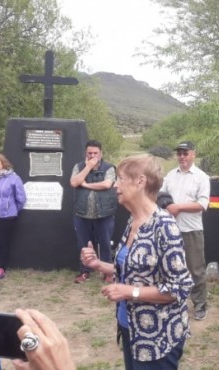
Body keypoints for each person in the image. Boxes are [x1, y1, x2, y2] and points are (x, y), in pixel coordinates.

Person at [81, 154, 194, 370]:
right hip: (130, 327)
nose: (116, 185)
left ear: (140, 182)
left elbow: (180, 288)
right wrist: (98, 264)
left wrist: (129, 292)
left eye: (121, 179)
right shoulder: (134, 220)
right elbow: (133, 270)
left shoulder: (164, 226)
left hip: (157, 337)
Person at [160, 141, 210, 321]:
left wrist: (177, 207)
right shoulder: (170, 175)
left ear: (193, 154)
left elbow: (202, 204)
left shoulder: (201, 177)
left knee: (196, 269)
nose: (182, 157)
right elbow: (161, 195)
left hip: (191, 230)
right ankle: (172, 301)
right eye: (179, 153)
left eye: (185, 153)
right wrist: (165, 207)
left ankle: (200, 304)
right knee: (169, 268)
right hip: (170, 230)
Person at [70, 140, 118, 284]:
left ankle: (107, 273)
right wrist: (88, 167)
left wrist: (85, 184)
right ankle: (85, 272)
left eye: (95, 153)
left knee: (105, 244)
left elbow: (107, 184)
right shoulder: (78, 166)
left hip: (104, 213)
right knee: (83, 245)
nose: (92, 155)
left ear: (101, 153)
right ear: (86, 153)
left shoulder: (109, 167)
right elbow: (73, 182)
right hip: (81, 213)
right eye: (90, 153)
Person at [0, 152, 26, 279]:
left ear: (2, 162)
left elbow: (21, 198)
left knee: (3, 242)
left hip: (7, 216)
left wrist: (12, 210)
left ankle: (0, 267)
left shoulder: (13, 178)